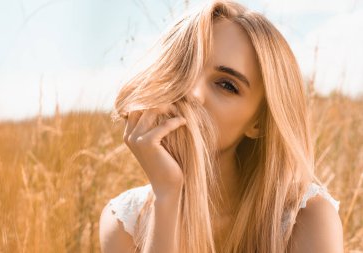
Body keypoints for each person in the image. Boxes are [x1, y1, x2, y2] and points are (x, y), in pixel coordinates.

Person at [99, 0, 343, 252]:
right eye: (184, 66)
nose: (191, 93)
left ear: (258, 123)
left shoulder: (304, 220)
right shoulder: (125, 223)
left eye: (227, 85)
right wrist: (168, 196)